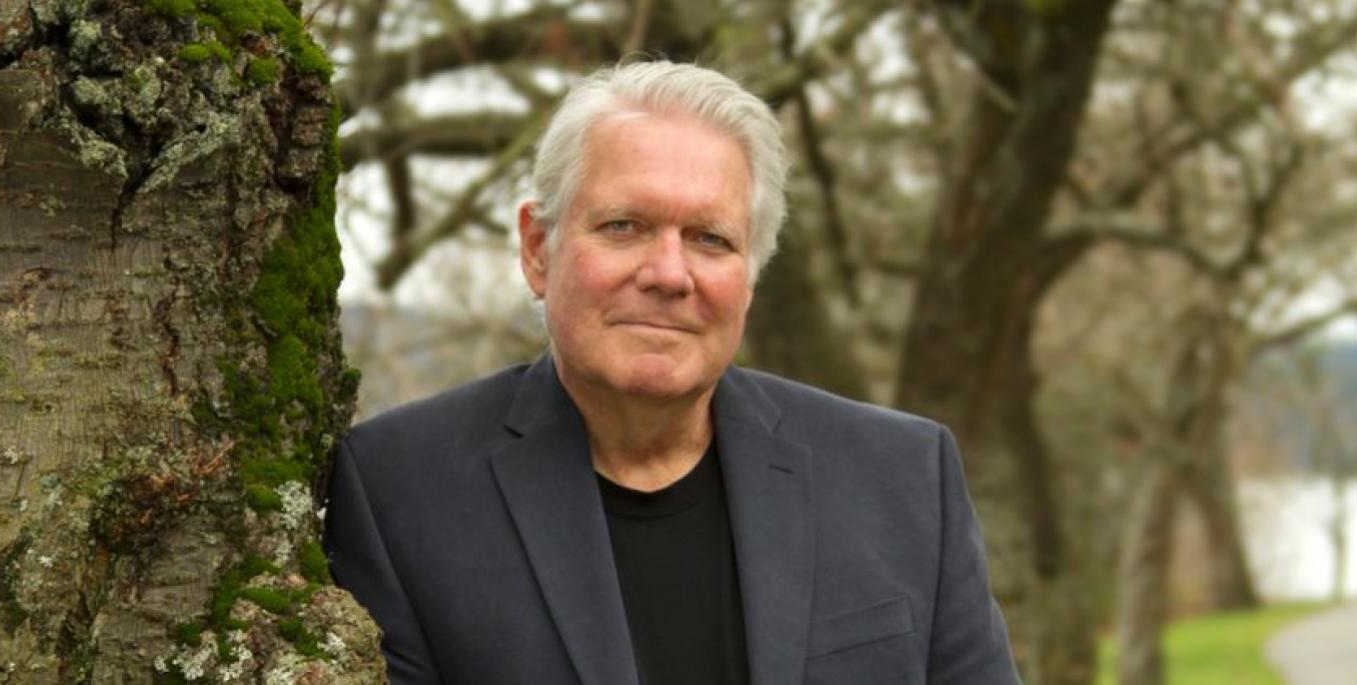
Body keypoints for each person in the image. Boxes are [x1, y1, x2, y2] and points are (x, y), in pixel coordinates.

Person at [322, 61, 1020, 685]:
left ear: (750, 275)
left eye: (710, 239)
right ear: (538, 248)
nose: (668, 274)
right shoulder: (399, 492)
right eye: (624, 225)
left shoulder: (901, 478)